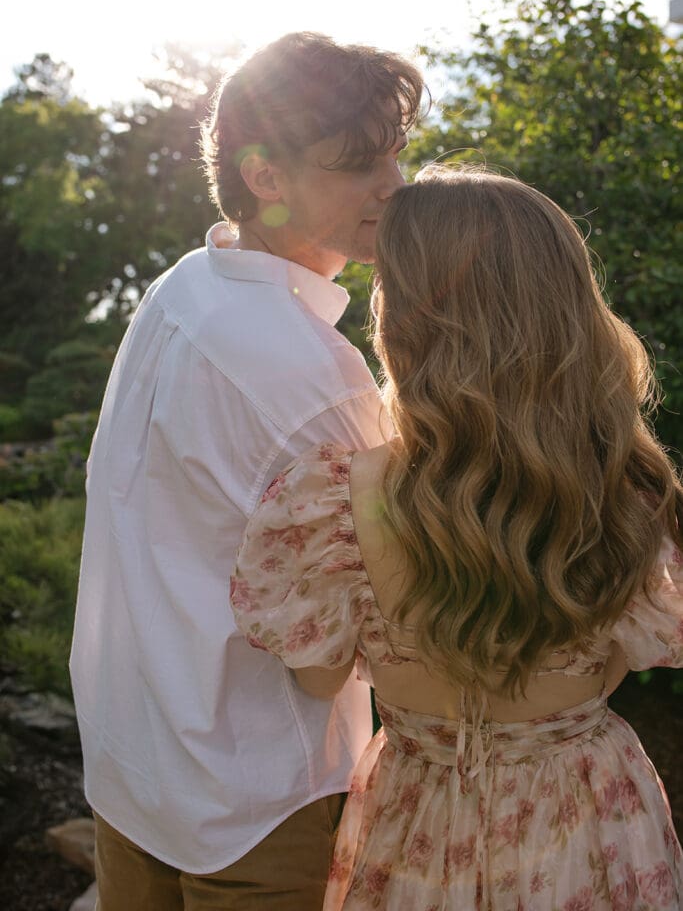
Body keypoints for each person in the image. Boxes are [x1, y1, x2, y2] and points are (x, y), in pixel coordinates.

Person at [232, 165, 683, 910]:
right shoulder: (625, 490)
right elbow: (613, 666)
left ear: (407, 320)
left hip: (419, 819)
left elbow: (317, 679)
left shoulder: (334, 498)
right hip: (587, 814)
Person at [69, 31, 423, 910]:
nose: (394, 185)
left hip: (131, 764)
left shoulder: (181, 289)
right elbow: (377, 618)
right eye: (358, 164)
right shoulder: (312, 374)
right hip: (258, 796)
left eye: (395, 154)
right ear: (265, 176)